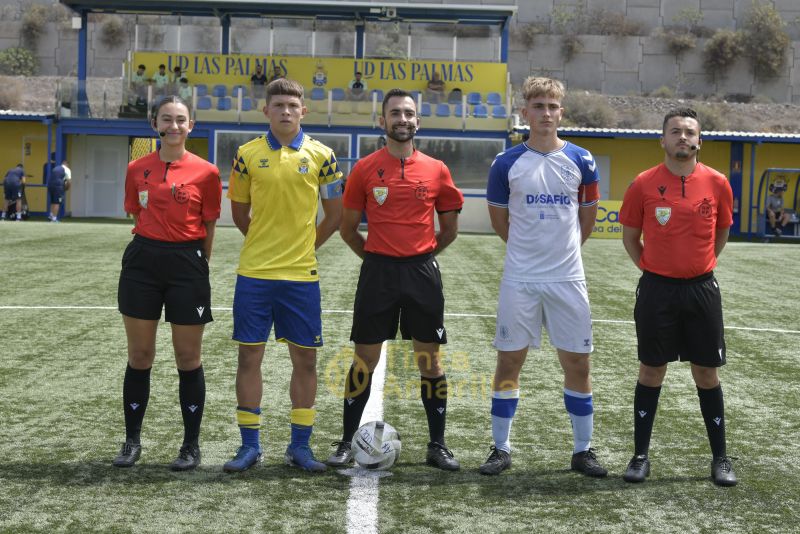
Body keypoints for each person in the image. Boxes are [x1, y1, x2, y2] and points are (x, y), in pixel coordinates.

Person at [327, 88, 464, 471]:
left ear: (417, 121)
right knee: (363, 361)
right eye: (395, 113)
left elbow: (449, 229)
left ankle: (437, 445)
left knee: (430, 362)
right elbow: (349, 229)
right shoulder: (366, 169)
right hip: (378, 273)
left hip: (421, 273)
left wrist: (420, 257)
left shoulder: (437, 169)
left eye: (409, 113)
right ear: (382, 121)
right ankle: (344, 441)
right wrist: (377, 258)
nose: (402, 119)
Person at [479, 76, 606, 478]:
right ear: (525, 112)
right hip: (520, 278)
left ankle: (583, 451)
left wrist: (564, 252)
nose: (546, 113)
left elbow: (588, 217)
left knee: (578, 363)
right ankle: (500, 448)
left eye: (552, 107)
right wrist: (527, 253)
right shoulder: (506, 163)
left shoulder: (582, 160)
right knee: (510, 360)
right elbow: (500, 220)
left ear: (561, 112)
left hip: (568, 279)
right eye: (538, 106)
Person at [223, 78, 343, 473]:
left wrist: (305, 247)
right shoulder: (246, 154)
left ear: (303, 111)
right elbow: (240, 212)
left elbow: (336, 214)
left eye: (293, 104)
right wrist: (261, 241)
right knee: (248, 357)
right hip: (255, 273)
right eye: (279, 105)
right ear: (266, 111)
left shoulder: (323, 155)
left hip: (300, 276)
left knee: (305, 361)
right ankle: (249, 446)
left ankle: (299, 446)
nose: (286, 111)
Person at [619, 107, 737, 487]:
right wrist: (653, 271)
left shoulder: (718, 183)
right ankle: (640, 456)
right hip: (656, 290)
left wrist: (700, 266)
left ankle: (720, 458)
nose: (682, 137)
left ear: (699, 140)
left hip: (701, 290)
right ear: (662, 140)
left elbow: (721, 232)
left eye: (689, 132)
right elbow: (630, 238)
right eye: (675, 131)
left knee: (706, 372)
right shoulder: (643, 184)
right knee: (651, 370)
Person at [113, 95, 223, 471]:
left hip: (187, 264)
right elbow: (135, 211)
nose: (174, 126)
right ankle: (131, 441)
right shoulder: (136, 168)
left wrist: (198, 263)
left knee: (188, 357)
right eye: (167, 119)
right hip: (142, 263)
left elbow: (208, 225)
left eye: (181, 120)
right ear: (154, 124)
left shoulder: (207, 172)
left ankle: (190, 446)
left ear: (191, 125)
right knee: (140, 356)